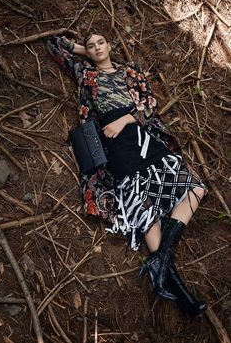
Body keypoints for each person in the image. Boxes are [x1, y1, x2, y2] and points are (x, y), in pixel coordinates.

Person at [47, 32, 208, 318]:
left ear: (110, 46)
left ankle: (158, 261)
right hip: (115, 145)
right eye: (92, 44)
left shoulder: (131, 71)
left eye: (101, 42)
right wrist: (85, 51)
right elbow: (55, 45)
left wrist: (125, 118)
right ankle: (182, 296)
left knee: (195, 189)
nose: (97, 48)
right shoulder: (86, 74)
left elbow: (149, 104)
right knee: (145, 210)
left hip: (142, 136)